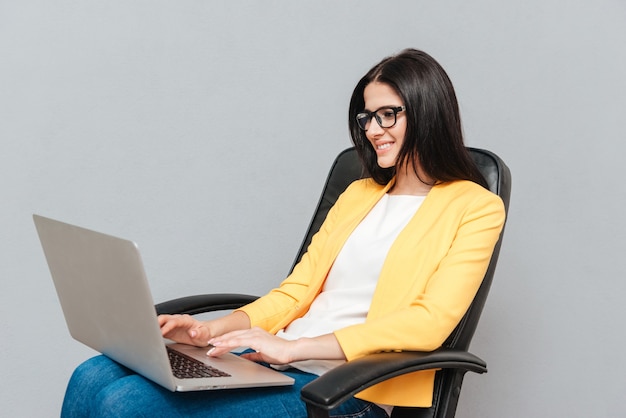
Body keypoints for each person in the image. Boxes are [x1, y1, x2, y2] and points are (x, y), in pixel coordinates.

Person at [61, 48, 505, 418]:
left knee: (127, 405)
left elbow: (428, 324)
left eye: (387, 114)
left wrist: (295, 349)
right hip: (277, 362)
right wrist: (208, 331)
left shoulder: (475, 207)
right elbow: (294, 293)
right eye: (366, 117)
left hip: (345, 392)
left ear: (428, 110)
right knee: (93, 375)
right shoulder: (359, 193)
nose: (372, 130)